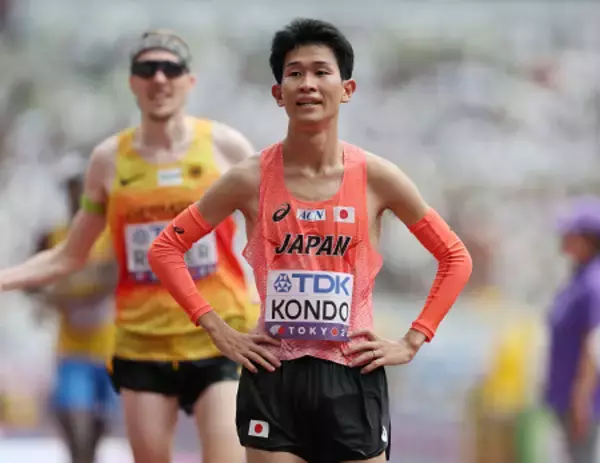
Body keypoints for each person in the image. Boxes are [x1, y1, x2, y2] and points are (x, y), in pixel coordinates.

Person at [148, 18, 473, 463]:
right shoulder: (248, 178)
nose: (308, 84)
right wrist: (217, 330)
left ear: (347, 89)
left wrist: (413, 341)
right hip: (273, 374)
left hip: (352, 375)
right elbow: (165, 249)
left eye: (321, 72)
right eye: (295, 73)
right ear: (278, 93)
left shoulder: (378, 177)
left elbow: (454, 257)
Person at [0, 29, 257, 463]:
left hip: (219, 334)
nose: (159, 78)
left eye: (171, 68)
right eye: (147, 69)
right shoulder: (108, 160)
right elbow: (70, 255)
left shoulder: (225, 147)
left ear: (189, 81)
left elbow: (271, 229)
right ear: (133, 81)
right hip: (143, 343)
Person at [34, 176, 117, 463]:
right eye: (74, 196)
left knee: (99, 426)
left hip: (109, 350)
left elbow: (112, 278)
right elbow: (34, 281)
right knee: (74, 420)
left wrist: (65, 291)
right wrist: (51, 295)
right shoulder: (55, 237)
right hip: (72, 350)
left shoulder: (111, 235)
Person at [545, 196, 600, 463]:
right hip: (564, 397)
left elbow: (595, 342)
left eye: (571, 233)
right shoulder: (578, 278)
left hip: (580, 403)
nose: (564, 238)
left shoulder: (594, 283)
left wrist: (582, 399)